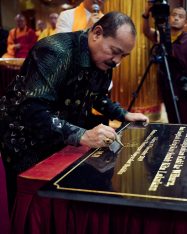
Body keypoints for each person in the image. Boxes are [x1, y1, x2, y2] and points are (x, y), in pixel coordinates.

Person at [0, 12, 148, 211]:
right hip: (25, 144)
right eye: (115, 51)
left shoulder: (103, 59)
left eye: (124, 56)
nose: (117, 61)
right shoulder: (55, 51)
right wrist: (81, 135)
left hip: (59, 142)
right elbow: (31, 110)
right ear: (97, 33)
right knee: (33, 210)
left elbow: (96, 95)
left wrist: (123, 114)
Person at [142, 6, 187, 124]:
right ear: (169, 18)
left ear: (185, 23)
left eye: (181, 16)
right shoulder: (162, 36)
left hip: (184, 88)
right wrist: (145, 15)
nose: (176, 18)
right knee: (173, 120)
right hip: (168, 85)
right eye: (174, 15)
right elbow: (147, 31)